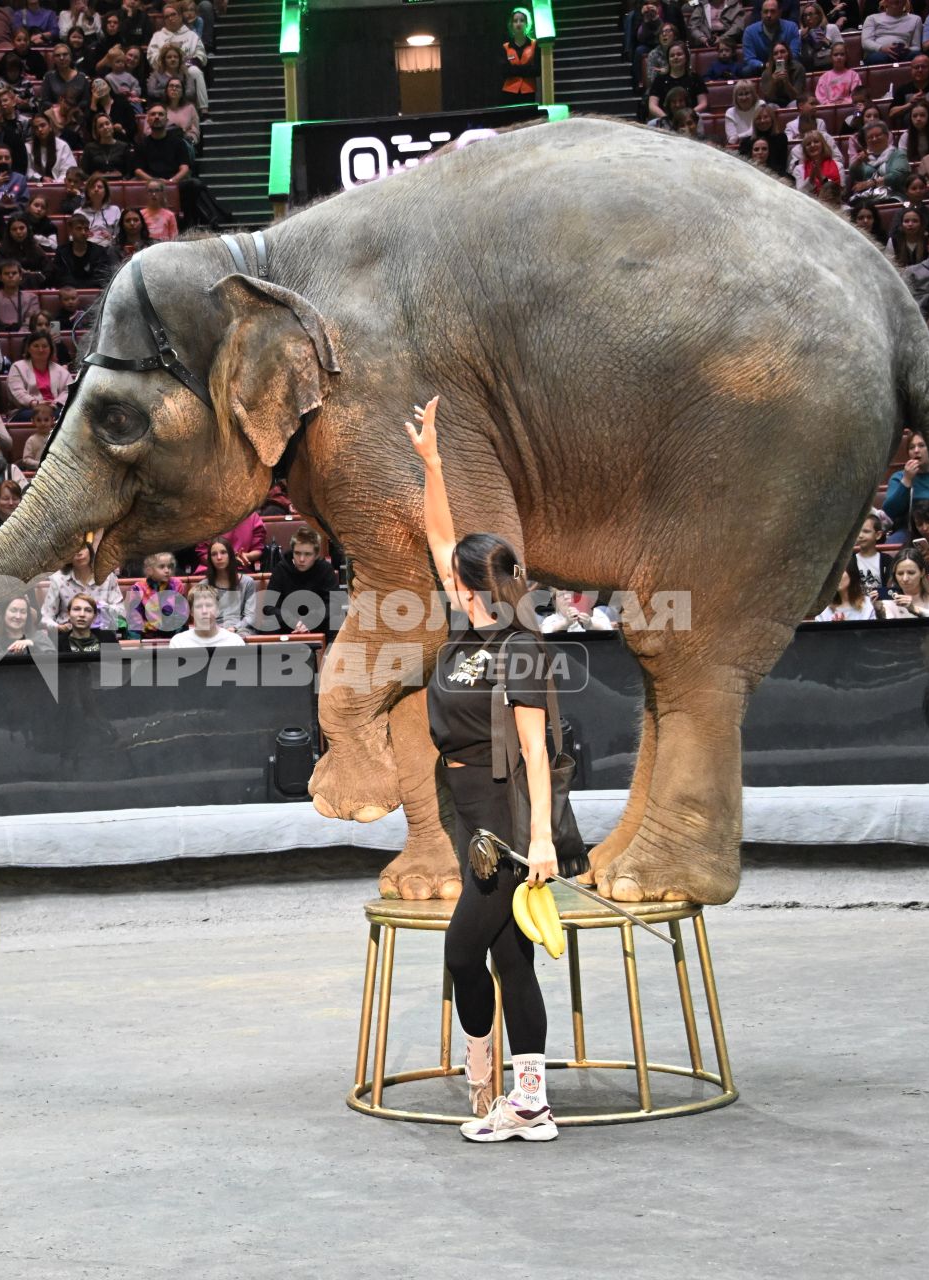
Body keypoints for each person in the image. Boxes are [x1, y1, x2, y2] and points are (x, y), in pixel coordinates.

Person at [402, 393, 572, 1141]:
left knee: (462, 949)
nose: (452, 585)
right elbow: (440, 535)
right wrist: (433, 463)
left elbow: (537, 749)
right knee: (511, 963)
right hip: (469, 810)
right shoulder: (468, 628)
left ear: (483, 586)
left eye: (462, 581)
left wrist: (540, 841)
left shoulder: (520, 646)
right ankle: (527, 1105)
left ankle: (485, 1077)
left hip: (508, 823)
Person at [258, 527, 340, 635]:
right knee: (266, 625)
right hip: (287, 624)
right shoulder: (281, 569)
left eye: (307, 554)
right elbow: (268, 607)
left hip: (318, 622)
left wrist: (310, 620)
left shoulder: (325, 569)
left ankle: (330, 652)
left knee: (337, 621)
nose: (301, 559)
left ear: (316, 555)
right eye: (297, 553)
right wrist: (292, 621)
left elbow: (335, 604)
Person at [877, 551, 929, 618]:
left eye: (911, 573)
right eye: (900, 573)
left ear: (922, 572)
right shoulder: (889, 600)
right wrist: (879, 611)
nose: (905, 579)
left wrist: (915, 609)